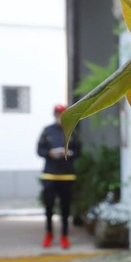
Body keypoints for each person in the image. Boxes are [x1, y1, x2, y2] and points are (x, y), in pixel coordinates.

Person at [36, 104, 79, 249]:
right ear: (54, 114)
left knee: (65, 208)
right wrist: (49, 153)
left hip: (67, 175)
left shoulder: (72, 130)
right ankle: (48, 233)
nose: (59, 116)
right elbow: (39, 150)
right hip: (50, 174)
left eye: (62, 113)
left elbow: (79, 150)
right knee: (49, 207)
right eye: (58, 113)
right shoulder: (47, 131)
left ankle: (64, 235)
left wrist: (69, 153)